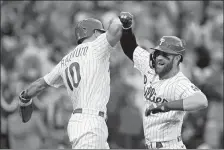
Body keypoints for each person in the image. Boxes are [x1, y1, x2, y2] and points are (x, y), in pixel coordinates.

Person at [18, 17, 123, 149]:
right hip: (90, 122)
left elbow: (39, 85)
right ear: (95, 32)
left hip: (82, 121)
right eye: (100, 32)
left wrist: (24, 98)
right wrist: (122, 20)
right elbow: (115, 30)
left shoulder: (66, 59)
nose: (101, 35)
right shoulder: (96, 47)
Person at [119, 12, 208, 149]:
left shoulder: (179, 82)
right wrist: (127, 28)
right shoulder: (150, 65)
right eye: (158, 52)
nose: (159, 57)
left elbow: (201, 101)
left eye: (165, 55)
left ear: (177, 58)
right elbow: (129, 47)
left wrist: (166, 106)